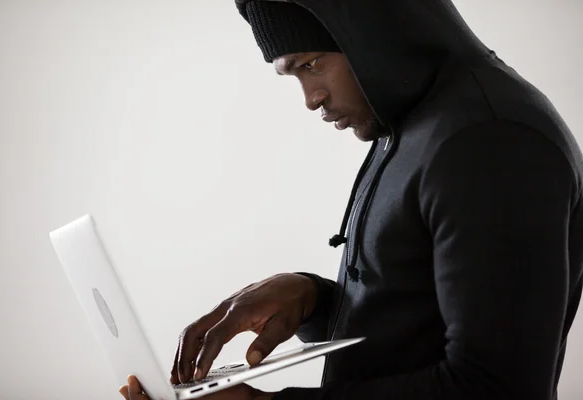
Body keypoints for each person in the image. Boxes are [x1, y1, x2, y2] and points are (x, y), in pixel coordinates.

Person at [119, 0, 583, 399]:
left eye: (311, 63)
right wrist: (313, 300)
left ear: (372, 28)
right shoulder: (419, 121)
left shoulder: (490, 140)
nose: (310, 98)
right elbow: (414, 330)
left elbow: (495, 389)